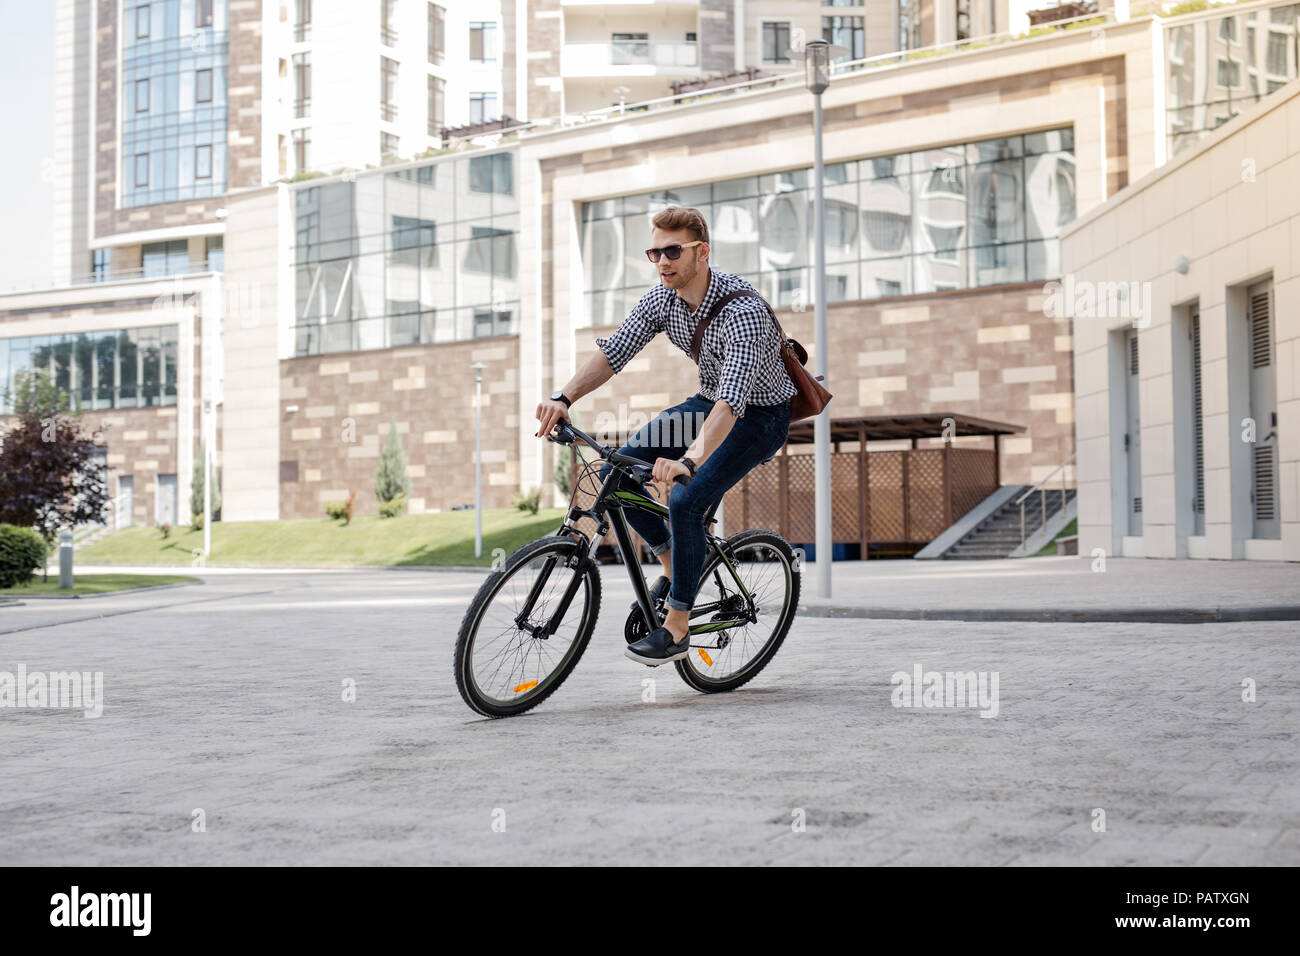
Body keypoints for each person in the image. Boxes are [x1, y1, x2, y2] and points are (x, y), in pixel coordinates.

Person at [534, 205, 796, 666]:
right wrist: (564, 397)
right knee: (617, 470)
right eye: (654, 252)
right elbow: (614, 353)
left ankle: (677, 627)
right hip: (708, 403)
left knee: (685, 499)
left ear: (702, 251)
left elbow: (732, 403)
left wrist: (689, 461)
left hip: (759, 416)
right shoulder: (662, 299)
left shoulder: (744, 312)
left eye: (672, 251)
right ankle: (677, 564)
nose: (662, 262)